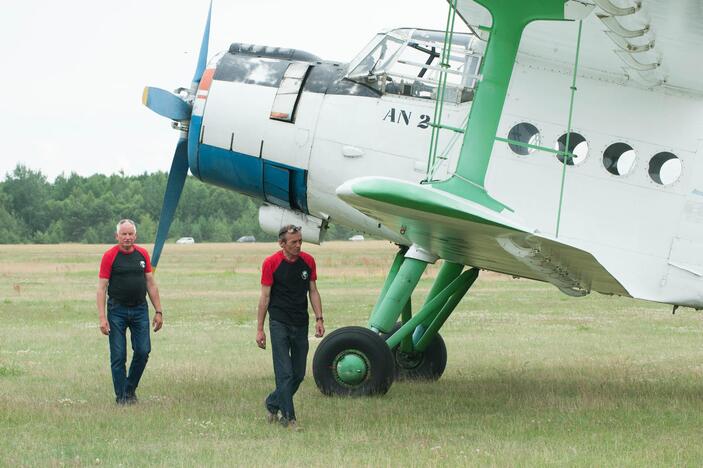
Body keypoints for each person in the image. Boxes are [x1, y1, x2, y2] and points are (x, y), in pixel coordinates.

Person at [256, 224, 324, 430]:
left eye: (300, 241)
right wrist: (260, 329)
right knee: (284, 373)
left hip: (300, 322)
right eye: (294, 242)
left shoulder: (308, 261)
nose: (298, 245)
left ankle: (272, 402)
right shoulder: (271, 263)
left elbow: (313, 291)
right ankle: (289, 418)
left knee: (298, 374)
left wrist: (319, 318)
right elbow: (265, 297)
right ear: (282, 243)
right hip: (279, 322)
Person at [97, 219, 163, 405]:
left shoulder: (142, 254)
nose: (127, 238)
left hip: (140, 309)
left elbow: (150, 283)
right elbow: (101, 288)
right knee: (118, 355)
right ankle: (122, 398)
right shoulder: (110, 256)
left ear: (135, 235)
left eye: (130, 234)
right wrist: (102, 318)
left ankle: (129, 389)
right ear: (116, 236)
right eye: (123, 234)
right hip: (116, 310)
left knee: (143, 351)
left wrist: (158, 311)